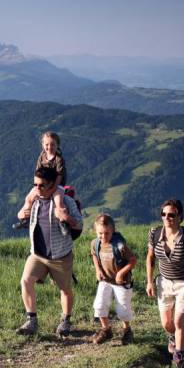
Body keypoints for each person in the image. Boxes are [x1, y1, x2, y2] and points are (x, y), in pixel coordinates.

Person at [16, 166, 83, 336]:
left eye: (42, 185)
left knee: (65, 289)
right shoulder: (35, 199)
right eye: (35, 184)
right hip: (37, 254)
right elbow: (20, 215)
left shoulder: (67, 202)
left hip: (60, 255)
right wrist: (23, 211)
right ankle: (31, 321)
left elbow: (80, 224)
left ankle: (66, 321)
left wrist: (65, 217)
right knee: (25, 281)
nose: (37, 188)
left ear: (53, 185)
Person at [146, 199, 184, 368]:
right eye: (164, 214)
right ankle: (173, 337)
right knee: (167, 324)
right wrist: (149, 281)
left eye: (172, 214)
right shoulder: (154, 233)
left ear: (180, 216)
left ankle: (179, 355)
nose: (167, 217)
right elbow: (150, 257)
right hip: (163, 282)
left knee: (178, 321)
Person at [90, 214, 137, 345]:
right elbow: (94, 255)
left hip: (121, 282)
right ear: (95, 231)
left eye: (107, 233)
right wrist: (98, 270)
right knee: (99, 305)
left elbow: (133, 260)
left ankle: (127, 330)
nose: (103, 237)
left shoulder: (120, 245)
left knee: (122, 309)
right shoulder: (95, 243)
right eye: (100, 233)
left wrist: (121, 273)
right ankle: (106, 330)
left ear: (113, 231)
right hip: (105, 280)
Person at [15, 132, 71, 235]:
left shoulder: (59, 159)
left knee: (58, 202)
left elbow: (59, 176)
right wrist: (37, 186)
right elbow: (37, 172)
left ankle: (63, 222)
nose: (49, 147)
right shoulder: (42, 156)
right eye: (47, 144)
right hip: (43, 184)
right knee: (29, 198)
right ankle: (25, 219)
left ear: (57, 145)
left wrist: (52, 189)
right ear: (43, 145)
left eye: (53, 144)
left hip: (57, 185)